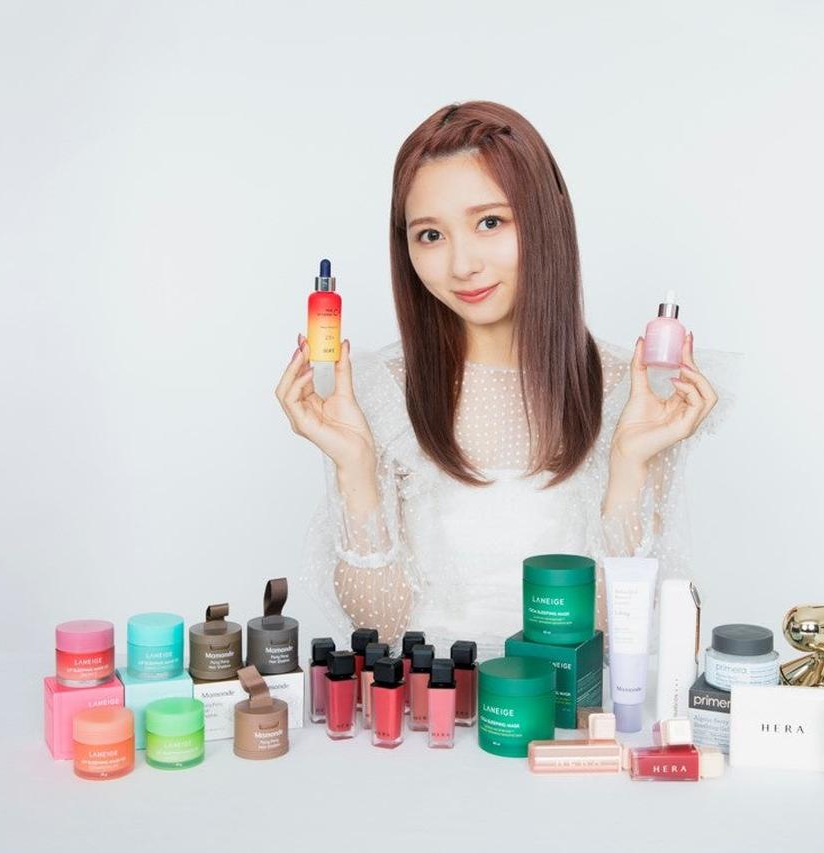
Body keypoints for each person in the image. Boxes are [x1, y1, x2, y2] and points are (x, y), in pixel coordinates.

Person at [275, 101, 738, 656]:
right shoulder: (378, 392)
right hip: (430, 698)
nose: (461, 265)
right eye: (430, 235)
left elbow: (619, 630)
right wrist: (355, 466)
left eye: (489, 222)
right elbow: (381, 627)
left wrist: (628, 464)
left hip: (567, 702)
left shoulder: (632, 393)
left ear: (545, 218)